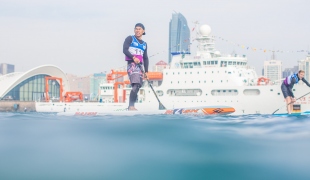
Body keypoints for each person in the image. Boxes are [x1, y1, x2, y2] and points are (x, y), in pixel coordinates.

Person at [123, 23, 149, 111]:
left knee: (138, 86)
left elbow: (145, 58)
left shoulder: (145, 44)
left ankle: (131, 106)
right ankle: (131, 106)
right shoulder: (130, 38)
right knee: (136, 84)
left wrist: (147, 72)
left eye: (139, 29)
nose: (137, 30)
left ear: (143, 31)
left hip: (140, 66)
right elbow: (124, 50)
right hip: (132, 65)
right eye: (136, 29)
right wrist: (133, 58)